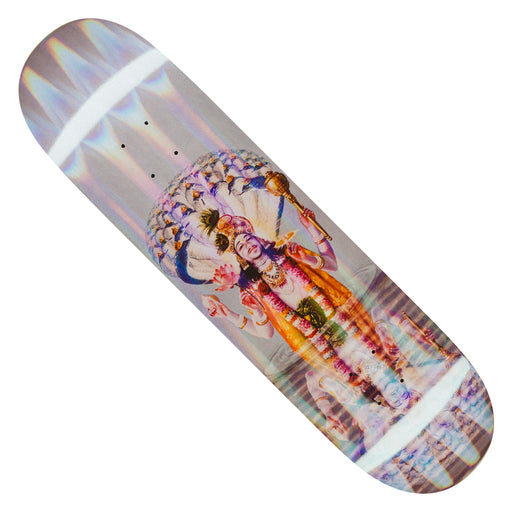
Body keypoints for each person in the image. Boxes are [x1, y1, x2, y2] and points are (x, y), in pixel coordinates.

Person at [201, 207, 412, 410]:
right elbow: (265, 332)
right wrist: (227, 313)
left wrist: (311, 230)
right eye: (240, 246)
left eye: (248, 238)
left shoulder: (288, 252)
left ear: (256, 237)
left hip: (346, 320)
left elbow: (331, 264)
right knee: (352, 375)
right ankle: (380, 392)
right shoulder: (253, 288)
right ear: (240, 257)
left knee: (372, 357)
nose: (247, 244)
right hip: (316, 343)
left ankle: (390, 388)